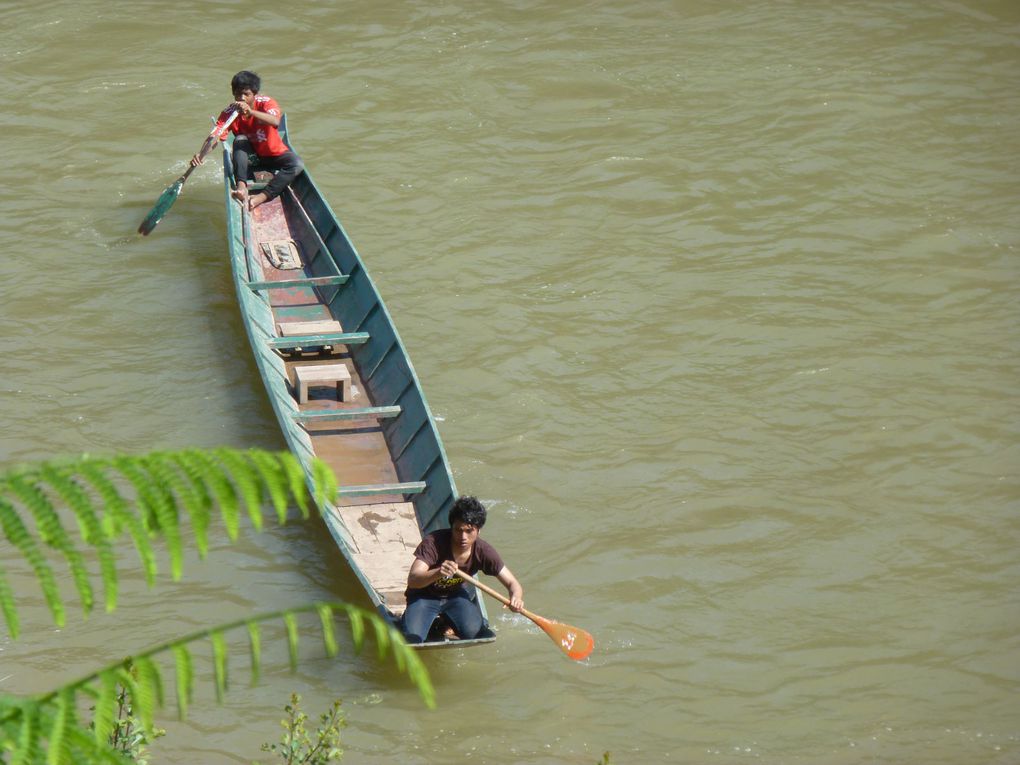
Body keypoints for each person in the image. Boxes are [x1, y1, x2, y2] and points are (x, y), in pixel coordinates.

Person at [401, 495, 524, 644]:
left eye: (469, 531)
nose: (463, 537)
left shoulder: (483, 551)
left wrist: (516, 597)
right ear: (451, 527)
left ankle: (444, 623)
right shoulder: (433, 543)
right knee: (413, 639)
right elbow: (413, 580)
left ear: (478, 531)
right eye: (458, 530)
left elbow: (512, 583)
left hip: (454, 596)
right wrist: (438, 572)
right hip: (424, 595)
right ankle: (411, 617)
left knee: (477, 634)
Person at [191, 70, 303, 210]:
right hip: (251, 159)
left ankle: (261, 197)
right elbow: (216, 136)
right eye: (238, 94)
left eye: (246, 94)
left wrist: (251, 113)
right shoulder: (230, 112)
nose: (242, 98)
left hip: (273, 154)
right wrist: (201, 155)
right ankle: (241, 187)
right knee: (240, 139)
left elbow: (275, 121)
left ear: (254, 94)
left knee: (296, 164)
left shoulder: (267, 103)